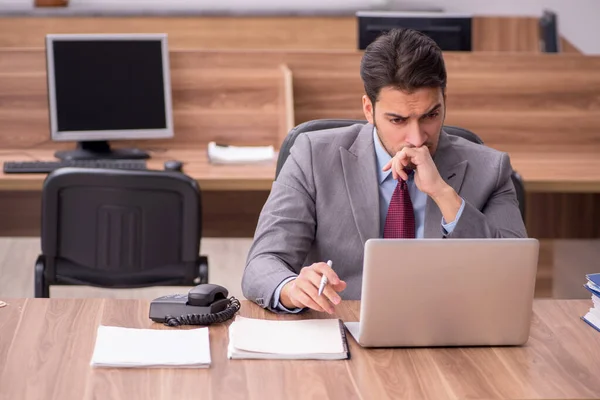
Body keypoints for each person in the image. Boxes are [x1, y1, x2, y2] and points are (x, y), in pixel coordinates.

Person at [242, 28, 526, 314]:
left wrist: (443, 194)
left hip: (447, 330)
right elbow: (261, 264)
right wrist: (292, 288)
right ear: (369, 109)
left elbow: (513, 273)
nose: (416, 138)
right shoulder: (313, 156)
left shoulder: (491, 169)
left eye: (430, 115)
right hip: (343, 325)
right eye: (398, 120)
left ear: (444, 102)